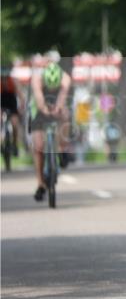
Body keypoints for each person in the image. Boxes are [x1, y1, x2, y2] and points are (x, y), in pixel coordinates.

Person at [29, 59, 71, 201]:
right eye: (50, 86)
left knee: (65, 114)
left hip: (56, 105)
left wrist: (57, 110)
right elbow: (40, 101)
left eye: (55, 87)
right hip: (39, 109)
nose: (52, 89)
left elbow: (62, 99)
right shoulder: (37, 79)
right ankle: (41, 184)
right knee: (39, 147)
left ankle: (63, 148)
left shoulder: (65, 79)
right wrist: (45, 111)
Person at [1, 66, 22, 158]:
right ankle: (2, 143)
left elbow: (20, 94)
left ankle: (14, 144)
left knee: (15, 124)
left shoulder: (13, 81)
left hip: (11, 104)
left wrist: (22, 105)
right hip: (1, 103)